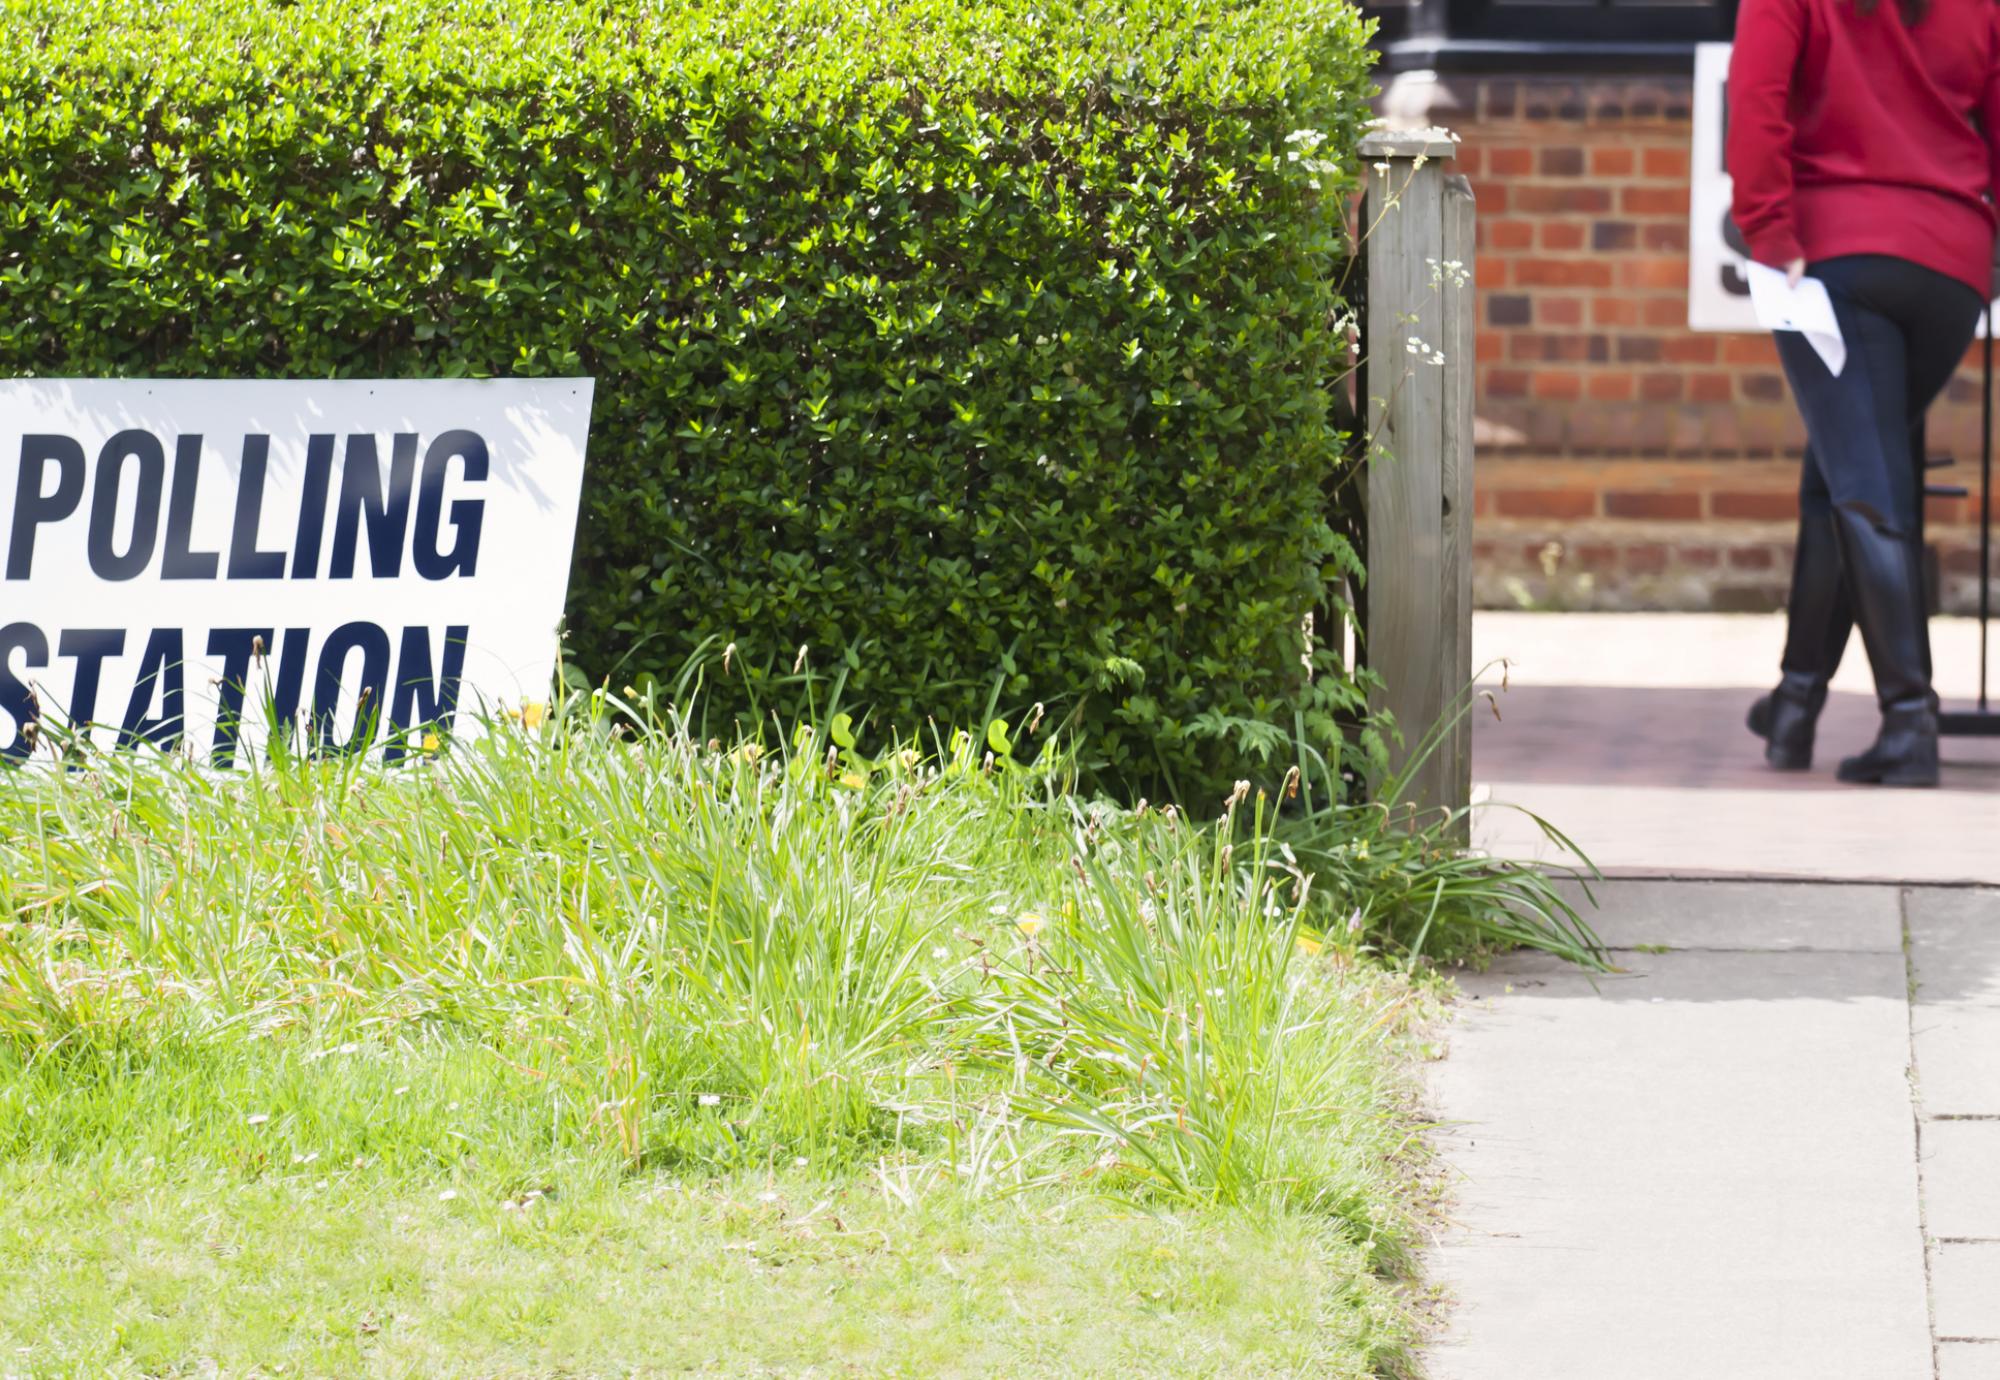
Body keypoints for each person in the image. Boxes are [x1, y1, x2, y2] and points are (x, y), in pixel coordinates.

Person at [1727, 0, 2000, 787]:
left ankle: (1909, 723)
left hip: (1831, 260)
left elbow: (1756, 102)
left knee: (1863, 486)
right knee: (1847, 466)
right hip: (1951, 268)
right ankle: (1795, 702)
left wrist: (1770, 233)